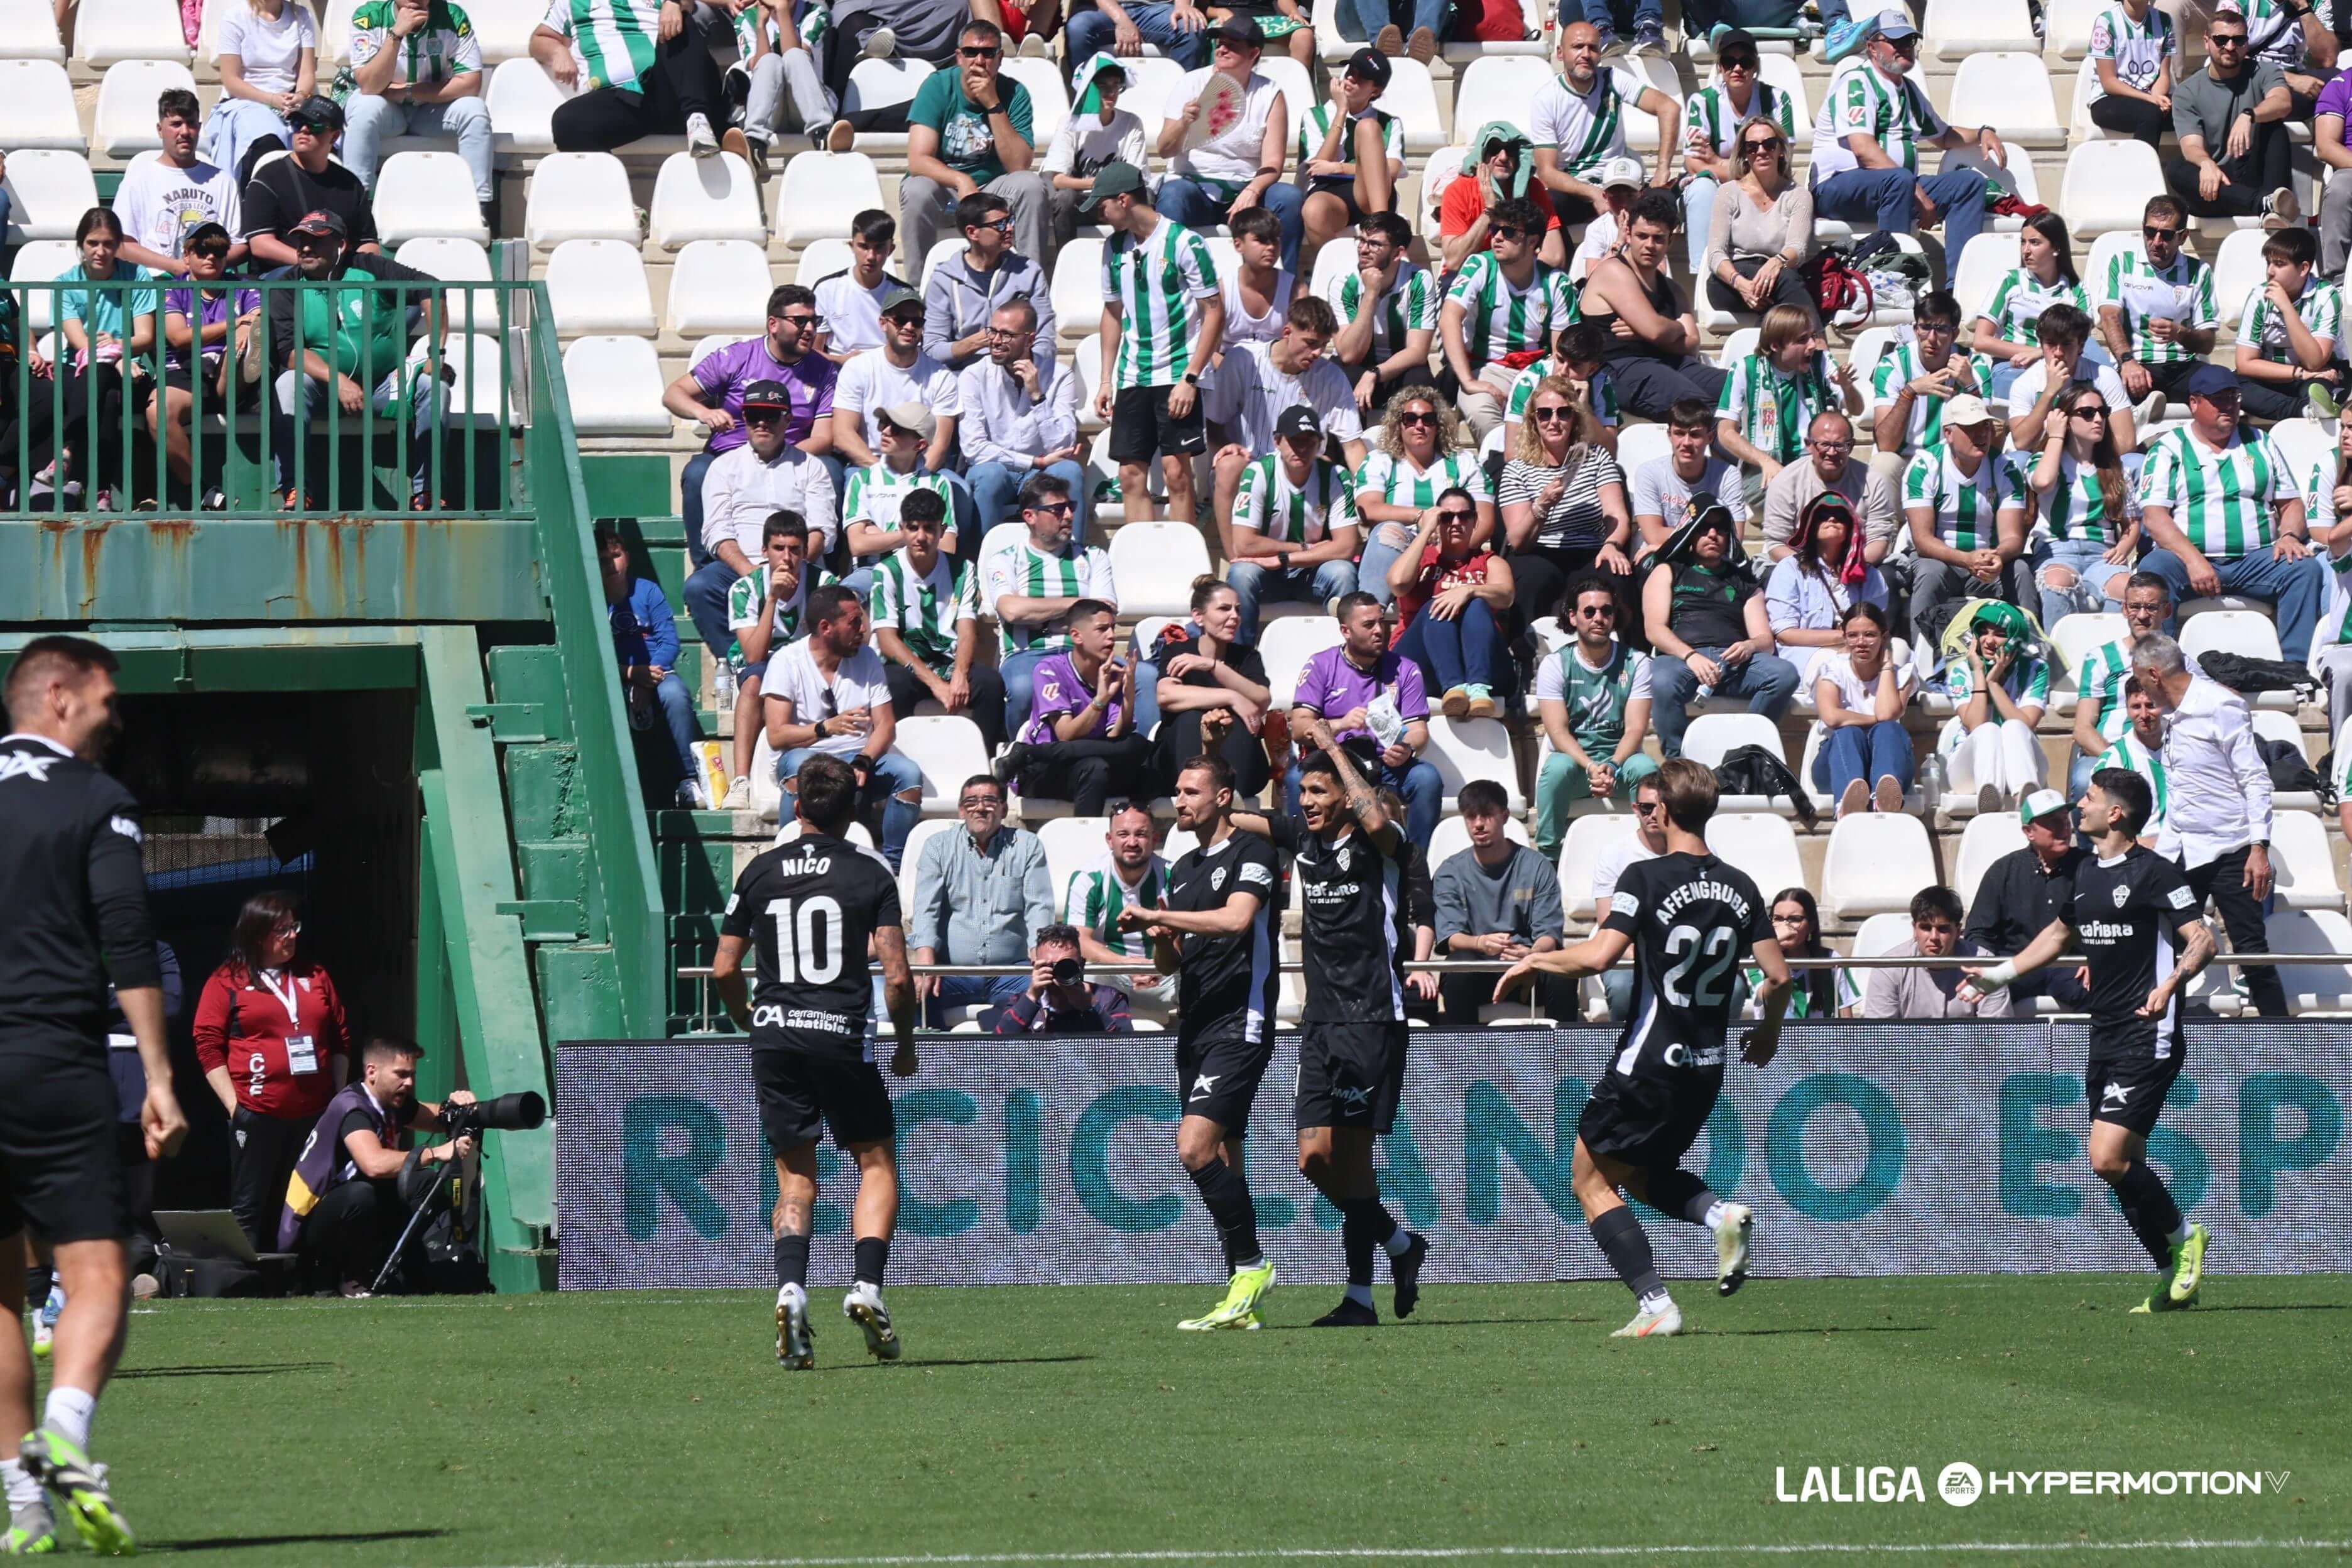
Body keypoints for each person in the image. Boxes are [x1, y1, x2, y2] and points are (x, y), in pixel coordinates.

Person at [0, 636, 186, 1557]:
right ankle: (66, 1440)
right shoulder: (92, 798)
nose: (116, 717)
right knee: (98, 1273)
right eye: (108, 699)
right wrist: (156, 1077)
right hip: (49, 1055)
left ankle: (22, 1504)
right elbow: (127, 935)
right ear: (60, 696)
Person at [1495, 758, 1785, 1338]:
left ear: (1668, 811)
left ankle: (1656, 1305)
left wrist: (1536, 958)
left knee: (1588, 1178)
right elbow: (1778, 978)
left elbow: (1599, 957)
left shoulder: (1644, 877)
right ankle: (1718, 1215)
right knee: (1645, 1171)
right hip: (1707, 1065)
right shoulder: (1742, 885)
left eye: (1652, 805)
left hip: (1650, 1061)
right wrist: (1768, 1032)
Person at [1957, 770, 2217, 1312]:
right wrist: (1996, 977)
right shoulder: (2087, 873)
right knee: (2125, 1167)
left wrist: (2170, 985)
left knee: (2105, 1159)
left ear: (2115, 813)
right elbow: (2056, 936)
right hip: (2105, 1034)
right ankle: (2171, 1276)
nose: (2081, 804)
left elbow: (2203, 939)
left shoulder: (2155, 873)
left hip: (2149, 1034)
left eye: (2091, 797)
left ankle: (2186, 1236)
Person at [710, 753, 920, 1368]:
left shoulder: (760, 871)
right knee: (875, 1161)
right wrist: (905, 1044)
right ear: (854, 810)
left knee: (795, 1180)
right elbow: (900, 978)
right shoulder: (871, 873)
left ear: (797, 804)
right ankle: (866, 1287)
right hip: (840, 1034)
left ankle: (791, 1289)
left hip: (776, 1037)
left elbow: (725, 967)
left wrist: (748, 1019)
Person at [1246, 741, 1430, 1327]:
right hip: (1321, 1021)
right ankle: (1400, 1244)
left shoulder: (1385, 846)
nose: (1308, 802)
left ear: (1349, 797)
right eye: (1303, 792)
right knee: (1312, 1159)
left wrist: (1328, 742)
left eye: (1319, 791)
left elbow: (1377, 815)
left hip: (1372, 1018)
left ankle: (1359, 1297)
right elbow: (1229, 810)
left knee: (1353, 1162)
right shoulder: (1303, 840)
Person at [1116, 754, 1283, 1331]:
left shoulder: (1253, 853)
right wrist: (1159, 934)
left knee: (1193, 1149)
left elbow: (1238, 921)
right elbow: (1173, 960)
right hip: (1197, 1022)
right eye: (1178, 792)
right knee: (1226, 1158)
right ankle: (1242, 1296)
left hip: (1242, 1020)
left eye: (1191, 793)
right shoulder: (1183, 867)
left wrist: (1166, 920)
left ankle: (1253, 1266)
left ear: (1222, 797)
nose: (1180, 801)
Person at [2132, 631, 2287, 1018]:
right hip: (2181, 851)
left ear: (2154, 674)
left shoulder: (2220, 706)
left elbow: (2255, 779)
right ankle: (2167, 1038)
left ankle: (2286, 1048)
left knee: (2251, 951)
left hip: (2231, 851)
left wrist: (2259, 847)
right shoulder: (2168, 713)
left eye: (2140, 678)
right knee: (2165, 947)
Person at [263, 209, 454, 510]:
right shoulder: (286, 285)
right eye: (300, 241)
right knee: (288, 383)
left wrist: (436, 351)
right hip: (323, 389)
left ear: (341, 245)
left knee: (435, 388)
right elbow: (290, 353)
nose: (306, 248)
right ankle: (296, 488)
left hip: (383, 384)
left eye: (315, 240)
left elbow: (431, 287)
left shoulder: (369, 268)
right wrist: (338, 381)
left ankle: (428, 490)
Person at [190, 891, 350, 1251]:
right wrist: (235, 1107)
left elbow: (340, 1037)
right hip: (256, 1112)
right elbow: (207, 1044)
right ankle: (245, 1282)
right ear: (257, 934)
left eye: (293, 927)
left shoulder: (315, 974)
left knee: (307, 1198)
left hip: (313, 1113)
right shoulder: (227, 980)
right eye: (281, 930)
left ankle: (303, 1280)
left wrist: (337, 1098)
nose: (292, 935)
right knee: (250, 1204)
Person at [2137, 366, 2321, 660]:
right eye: (2218, 399)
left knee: (2303, 568)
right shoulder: (2170, 448)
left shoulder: (2262, 442)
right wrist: (2194, 560)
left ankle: (2297, 668)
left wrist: (2288, 535)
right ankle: (2160, 666)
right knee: (2154, 569)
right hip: (2187, 560)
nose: (2229, 406)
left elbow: (2292, 504)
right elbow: (2155, 518)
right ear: (2194, 403)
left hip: (2255, 560)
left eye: (2233, 397)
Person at [1805, 10, 2005, 274]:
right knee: (1898, 181)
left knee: (1969, 183)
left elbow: (1944, 136)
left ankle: (1959, 287)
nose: (1904, 48)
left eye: (1909, 41)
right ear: (1872, 48)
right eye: (1895, 42)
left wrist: (1982, 132)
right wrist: (1916, 192)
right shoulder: (1857, 83)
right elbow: (1863, 149)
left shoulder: (1909, 90)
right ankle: (1892, 282)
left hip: (1894, 188)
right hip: (1837, 188)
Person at [273, 1034, 476, 1293]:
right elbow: (374, 1164)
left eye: (412, 1074)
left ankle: (406, 1271)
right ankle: (341, 1277)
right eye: (401, 1074)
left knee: (423, 1182)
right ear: (372, 1072)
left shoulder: (389, 1100)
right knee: (362, 1194)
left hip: (351, 1210)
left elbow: (436, 1118)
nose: (409, 1082)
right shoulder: (354, 1108)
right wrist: (436, 1153)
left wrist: (460, 1108)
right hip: (311, 1224)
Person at [1087, 161, 1225, 528]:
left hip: (1177, 372)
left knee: (1176, 473)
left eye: (1102, 204)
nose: (1099, 212)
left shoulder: (1185, 242)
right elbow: (1112, 313)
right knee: (1130, 475)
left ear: (1124, 200)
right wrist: (1105, 379)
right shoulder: (1113, 247)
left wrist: (1191, 378)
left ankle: (1181, 568)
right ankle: (1140, 560)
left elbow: (1214, 311)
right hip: (1133, 375)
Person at [663, 285, 840, 567]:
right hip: (730, 456)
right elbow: (673, 394)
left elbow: (824, 437)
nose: (810, 329)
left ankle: (821, 572)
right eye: (800, 321)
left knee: (832, 470)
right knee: (697, 473)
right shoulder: (736, 358)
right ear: (773, 324)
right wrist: (703, 412)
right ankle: (707, 569)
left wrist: (778, 454)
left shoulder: (823, 370)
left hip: (794, 456)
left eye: (813, 321)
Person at [763, 586, 925, 868]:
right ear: (826, 627)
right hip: (807, 756)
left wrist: (864, 760)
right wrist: (824, 728)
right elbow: (777, 735)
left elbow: (886, 725)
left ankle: (894, 867)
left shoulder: (868, 658)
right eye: (854, 623)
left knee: (909, 774)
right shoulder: (786, 661)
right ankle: (790, 859)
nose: (864, 629)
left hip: (857, 755)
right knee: (799, 767)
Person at [686, 378, 841, 662]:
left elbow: (822, 529)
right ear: (744, 417)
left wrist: (794, 565)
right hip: (742, 567)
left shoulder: (811, 467)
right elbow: (717, 533)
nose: (762, 424)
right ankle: (736, 663)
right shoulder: (723, 467)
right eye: (754, 416)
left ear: (788, 419)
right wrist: (757, 576)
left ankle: (810, 664)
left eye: (771, 416)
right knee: (699, 587)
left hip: (798, 562)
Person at [1205, 300, 1366, 557]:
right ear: (1287, 333)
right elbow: (1214, 422)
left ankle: (1309, 560)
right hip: (1252, 467)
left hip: (1305, 467)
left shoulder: (1331, 376)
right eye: (1311, 344)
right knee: (1228, 465)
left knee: (1326, 466)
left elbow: (1353, 445)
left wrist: (1368, 492)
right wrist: (1226, 446)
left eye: (1324, 346)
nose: (1317, 353)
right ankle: (1238, 562)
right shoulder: (1243, 359)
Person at [1643, 503, 1799, 760]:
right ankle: (1679, 763)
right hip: (1682, 660)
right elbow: (1654, 630)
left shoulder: (1745, 579)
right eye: (1704, 528)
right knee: (1661, 682)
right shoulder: (1669, 570)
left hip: (1734, 663)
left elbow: (1765, 640)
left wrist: (1749, 646)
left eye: (1720, 529)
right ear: (1691, 532)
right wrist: (1691, 656)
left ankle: (1743, 753)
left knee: (1784, 675)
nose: (1713, 534)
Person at [1288, 592, 1442, 846]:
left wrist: (1407, 748)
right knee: (1296, 779)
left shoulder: (1406, 668)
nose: (1379, 631)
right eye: (1369, 625)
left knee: (1427, 779)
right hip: (1335, 763)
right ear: (1346, 631)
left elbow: (1418, 731)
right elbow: (1300, 727)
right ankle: (1307, 857)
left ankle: (1415, 863)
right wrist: (1341, 723)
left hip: (1385, 763)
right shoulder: (1321, 665)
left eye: (1382, 622)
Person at [1154, 21, 1305, 273]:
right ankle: (1166, 278)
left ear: (1253, 53)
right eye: (1219, 43)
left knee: (1289, 198)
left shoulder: (1269, 93)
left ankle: (1284, 282)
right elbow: (1164, 150)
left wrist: (1253, 190)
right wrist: (1183, 123)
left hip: (1246, 189)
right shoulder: (1191, 83)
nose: (1221, 49)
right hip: (1195, 187)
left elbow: (1273, 163)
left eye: (1231, 46)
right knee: (1173, 195)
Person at [901, 22, 1049, 270]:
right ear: (959, 57)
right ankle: (917, 293)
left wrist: (993, 104)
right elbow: (918, 160)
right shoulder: (937, 86)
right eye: (971, 52)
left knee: (1031, 185)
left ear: (1000, 58)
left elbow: (1019, 165)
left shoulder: (1014, 93)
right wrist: (961, 181)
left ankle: (1029, 284)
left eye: (988, 53)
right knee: (917, 189)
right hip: (946, 188)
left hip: (994, 187)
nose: (979, 61)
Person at [869, 491, 1008, 752]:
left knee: (990, 684)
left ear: (942, 530)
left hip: (947, 662)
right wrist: (935, 684)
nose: (921, 537)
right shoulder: (886, 571)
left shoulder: (963, 570)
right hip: (905, 666)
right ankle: (894, 762)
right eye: (913, 528)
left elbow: (967, 631)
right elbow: (887, 641)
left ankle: (981, 767)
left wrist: (959, 674)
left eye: (929, 528)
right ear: (902, 529)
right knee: (893, 683)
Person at [1497, 377, 1634, 643]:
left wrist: (1612, 544)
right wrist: (1541, 505)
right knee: (1532, 578)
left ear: (1574, 417)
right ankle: (1523, 655)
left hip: (1590, 549)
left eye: (1563, 412)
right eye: (1545, 414)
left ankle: (1621, 657)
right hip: (1539, 550)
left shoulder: (1596, 457)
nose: (1554, 421)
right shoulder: (1517, 469)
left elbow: (1617, 515)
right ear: (1533, 421)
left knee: (1615, 573)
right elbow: (1517, 541)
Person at [911, 774, 1054, 1023]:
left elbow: (1038, 906)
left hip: (1011, 972)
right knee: (912, 992)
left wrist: (1038, 953)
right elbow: (926, 909)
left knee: (1050, 991)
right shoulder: (938, 846)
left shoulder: (1028, 846)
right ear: (961, 811)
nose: (980, 807)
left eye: (989, 800)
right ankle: (932, 1060)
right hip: (954, 973)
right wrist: (926, 962)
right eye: (971, 802)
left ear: (1004, 808)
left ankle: (1020, 1060)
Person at [1533, 574, 1658, 856]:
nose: (1598, 618)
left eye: (1606, 610)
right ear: (1573, 617)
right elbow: (1557, 732)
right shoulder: (1555, 664)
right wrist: (1591, 767)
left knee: (1646, 769)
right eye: (1589, 611)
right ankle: (1548, 855)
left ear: (1615, 616)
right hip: (1578, 769)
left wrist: (1612, 766)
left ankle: (1652, 848)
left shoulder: (1637, 662)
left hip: (1620, 765)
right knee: (1556, 769)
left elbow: (1635, 729)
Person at [983, 472, 1118, 734]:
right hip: (1028, 654)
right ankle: (1021, 756)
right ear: (1030, 516)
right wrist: (1080, 606)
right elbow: (1012, 610)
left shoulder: (1094, 556)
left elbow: (1105, 611)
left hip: (1085, 653)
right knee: (1023, 687)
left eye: (1071, 507)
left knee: (1143, 678)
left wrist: (1036, 613)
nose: (1068, 515)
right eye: (1058, 510)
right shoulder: (1005, 559)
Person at [996, 599, 1155, 815]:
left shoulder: (1112, 671)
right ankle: (1085, 841)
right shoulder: (1049, 670)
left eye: (1112, 628)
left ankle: (1028, 753)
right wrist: (1100, 700)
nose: (1111, 636)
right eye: (1102, 629)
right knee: (1101, 766)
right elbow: (1066, 734)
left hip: (1091, 760)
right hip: (1041, 771)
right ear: (1077, 636)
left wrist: (1127, 696)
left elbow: (1116, 733)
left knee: (1140, 752)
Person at [1902, 392, 2032, 652]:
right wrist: (1966, 559)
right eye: (1970, 428)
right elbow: (1923, 541)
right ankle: (1924, 659)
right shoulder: (1925, 466)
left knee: (2020, 571)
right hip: (1940, 559)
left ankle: (2027, 653)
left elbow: (2013, 538)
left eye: (1984, 426)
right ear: (1949, 434)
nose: (1981, 434)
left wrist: (1996, 557)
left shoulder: (2005, 469)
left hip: (1986, 561)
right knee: (1930, 572)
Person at [1439, 197, 1577, 442]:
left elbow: (1561, 352)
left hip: (1539, 371)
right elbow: (1449, 318)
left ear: (1533, 241)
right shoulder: (1479, 265)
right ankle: (1504, 468)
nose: (1497, 237)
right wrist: (1469, 381)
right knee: (1480, 410)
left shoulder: (1557, 283)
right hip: (1488, 368)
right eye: (1495, 229)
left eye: (1509, 232)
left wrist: (1551, 390)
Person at [1579, 193, 1726, 421]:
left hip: (1670, 365)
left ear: (1671, 241)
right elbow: (1656, 331)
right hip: (1619, 369)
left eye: (1658, 238)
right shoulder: (1613, 271)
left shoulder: (1671, 289)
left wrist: (1647, 332)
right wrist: (1673, 329)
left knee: (1741, 387)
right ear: (1628, 234)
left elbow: (1692, 344)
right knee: (1698, 408)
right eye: (1642, 236)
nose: (1650, 245)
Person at [1432, 779, 1566, 1025]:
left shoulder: (1536, 866)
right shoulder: (1450, 871)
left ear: (1504, 817)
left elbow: (1549, 933)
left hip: (1528, 962)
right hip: (1478, 967)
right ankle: (1462, 1055)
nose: (1479, 824)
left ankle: (1566, 1055)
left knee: (1563, 971)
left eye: (1487, 815)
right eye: (1471, 817)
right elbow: (1451, 937)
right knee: (1458, 967)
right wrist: (1481, 943)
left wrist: (1533, 957)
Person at [1224, 405, 1363, 645]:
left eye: (1310, 441)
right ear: (1277, 441)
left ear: (1320, 444)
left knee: (1343, 572)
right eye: (1295, 440)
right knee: (1241, 574)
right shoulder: (1258, 473)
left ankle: (1342, 658)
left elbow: (1346, 547)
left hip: (1313, 571)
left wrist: (1284, 559)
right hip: (1266, 572)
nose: (1302, 448)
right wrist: (1305, 548)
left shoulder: (1336, 476)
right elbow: (1244, 544)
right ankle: (1239, 658)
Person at [51, 209, 159, 512]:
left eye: (109, 244)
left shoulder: (137, 276)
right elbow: (80, 343)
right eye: (93, 243)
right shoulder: (65, 283)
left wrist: (117, 351)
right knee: (108, 396)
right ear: (81, 244)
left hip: (132, 373)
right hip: (81, 373)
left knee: (109, 390)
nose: (101, 251)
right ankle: (101, 492)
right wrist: (116, 359)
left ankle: (69, 451)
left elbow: (146, 336)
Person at [342, 0, 492, 215]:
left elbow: (470, 83)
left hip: (432, 109)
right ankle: (357, 208)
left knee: (475, 110)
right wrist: (396, 35)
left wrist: (407, 91)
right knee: (364, 107)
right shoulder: (368, 17)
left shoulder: (453, 17)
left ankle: (479, 209)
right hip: (387, 109)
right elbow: (369, 86)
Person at [719, 513, 827, 808]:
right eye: (779, 548)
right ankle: (741, 780)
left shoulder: (823, 582)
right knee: (754, 682)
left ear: (805, 551)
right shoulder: (745, 588)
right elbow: (753, 654)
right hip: (762, 661)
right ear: (765, 551)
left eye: (795, 549)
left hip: (808, 661)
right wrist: (772, 599)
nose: (787, 558)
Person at [1530, 23, 1679, 231]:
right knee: (1544, 207)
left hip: (1621, 185)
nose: (1586, 54)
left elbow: (1669, 108)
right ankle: (1561, 263)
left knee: (1666, 202)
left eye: (1592, 48)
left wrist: (1662, 169)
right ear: (1560, 53)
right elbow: (1547, 172)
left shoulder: (1613, 79)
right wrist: (1593, 193)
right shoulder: (1546, 99)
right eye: (1578, 47)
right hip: (1578, 192)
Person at [597, 521, 706, 806]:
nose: (612, 565)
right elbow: (595, 653)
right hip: (613, 675)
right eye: (603, 560)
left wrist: (648, 676)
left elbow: (669, 641)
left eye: (616, 556)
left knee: (676, 696)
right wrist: (632, 674)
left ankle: (689, 779)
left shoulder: (647, 591)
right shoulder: (593, 599)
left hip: (656, 672)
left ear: (628, 557)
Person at [153, 224, 262, 506]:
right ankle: (201, 490)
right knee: (157, 413)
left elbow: (258, 315)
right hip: (186, 372)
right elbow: (178, 337)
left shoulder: (244, 285)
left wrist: (248, 326)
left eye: (218, 251)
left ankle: (240, 374)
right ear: (187, 255)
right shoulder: (172, 289)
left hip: (229, 372)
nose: (211, 257)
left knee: (246, 344)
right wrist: (237, 324)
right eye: (202, 251)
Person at [531, 0, 729, 156]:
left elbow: (690, 4)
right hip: (623, 102)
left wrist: (674, 3)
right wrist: (558, 51)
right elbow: (539, 39)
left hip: (669, 86)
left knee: (680, 20)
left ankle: (698, 120)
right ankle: (618, 199)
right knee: (566, 122)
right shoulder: (568, 2)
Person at [1354, 386, 1493, 606]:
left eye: (1428, 419)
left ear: (1438, 426)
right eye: (1410, 419)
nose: (1419, 426)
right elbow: (1368, 510)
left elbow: (1485, 521)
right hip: (1399, 545)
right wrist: (1422, 517)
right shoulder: (1379, 461)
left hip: (1449, 545)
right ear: (1398, 424)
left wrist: (1448, 545)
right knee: (1386, 531)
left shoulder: (1463, 462)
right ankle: (1370, 613)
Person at [1386, 485, 1513, 721]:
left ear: (1475, 521)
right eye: (1446, 517)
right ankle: (1454, 688)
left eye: (1464, 516)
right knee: (1437, 605)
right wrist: (1426, 531)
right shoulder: (1422, 559)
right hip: (1421, 665)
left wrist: (1469, 590)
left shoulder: (1489, 562)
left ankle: (1477, 688)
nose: (1456, 523)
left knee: (1476, 602)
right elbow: (1398, 583)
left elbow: (1506, 595)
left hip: (1482, 665)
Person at [959, 299, 1085, 533]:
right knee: (989, 474)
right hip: (1000, 469)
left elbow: (1063, 445)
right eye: (993, 332)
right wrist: (1034, 461)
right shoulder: (974, 376)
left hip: (1041, 474)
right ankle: (981, 562)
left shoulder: (1059, 375)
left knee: (1069, 472)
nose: (995, 341)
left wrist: (1037, 396)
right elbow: (974, 448)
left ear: (1030, 339)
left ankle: (1072, 560)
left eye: (1007, 335)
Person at [1714, 305, 1861, 505]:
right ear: (1775, 345)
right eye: (1802, 340)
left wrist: (1847, 386)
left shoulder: (1821, 362)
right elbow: (1725, 433)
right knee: (1799, 495)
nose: (1812, 345)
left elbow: (1856, 410)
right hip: (1764, 469)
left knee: (1865, 482)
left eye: (1813, 336)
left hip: (1816, 461)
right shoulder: (1745, 369)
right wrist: (1765, 461)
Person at [2162, 10, 2297, 227]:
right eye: (2221, 40)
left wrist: (2249, 115)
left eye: (2239, 40)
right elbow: (2191, 147)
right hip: (2215, 189)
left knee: (2274, 127)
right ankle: (2266, 206)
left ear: (2247, 43)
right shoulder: (2188, 91)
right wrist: (2206, 163)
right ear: (2207, 42)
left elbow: (2282, 102)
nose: (2230, 47)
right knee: (2177, 168)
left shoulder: (2265, 71)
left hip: (2254, 176)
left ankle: (2269, 203)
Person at [2025, 381, 2141, 633]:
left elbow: (2131, 522)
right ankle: (2059, 662)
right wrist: (2056, 435)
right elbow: (2043, 483)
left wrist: (2124, 546)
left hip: (2103, 553)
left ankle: (2109, 659)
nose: (2098, 419)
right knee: (2057, 583)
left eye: (2103, 412)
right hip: (2057, 551)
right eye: (2088, 413)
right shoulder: (2042, 461)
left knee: (2126, 588)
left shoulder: (2115, 469)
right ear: (2066, 419)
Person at [1966, 786, 2094, 1014]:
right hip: (2017, 965)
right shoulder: (2004, 871)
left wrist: (2094, 957)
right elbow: (1979, 933)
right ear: (2029, 832)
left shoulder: (2089, 867)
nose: (2064, 828)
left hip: (2068, 965)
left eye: (2065, 820)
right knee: (1979, 993)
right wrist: (1987, 969)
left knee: (2103, 993)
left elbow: (2107, 922)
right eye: (2052, 822)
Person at [2095, 195, 2219, 427]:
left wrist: (2179, 333)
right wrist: (2127, 361)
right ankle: (2137, 433)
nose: (2156, 241)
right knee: (2099, 396)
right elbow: (2108, 316)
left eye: (2167, 235)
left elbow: (2208, 343)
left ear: (2183, 237)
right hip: (2136, 364)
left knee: (2225, 385)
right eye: (2150, 232)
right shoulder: (2121, 264)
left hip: (2182, 366)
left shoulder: (2199, 271)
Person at [1146, 578, 1276, 798]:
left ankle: (1229, 800)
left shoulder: (1247, 657)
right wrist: (1232, 697)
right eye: (1224, 609)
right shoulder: (1179, 651)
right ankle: (1195, 794)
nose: (1234, 616)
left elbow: (1262, 699)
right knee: (1191, 718)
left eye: (1237, 610)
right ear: (1199, 616)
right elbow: (1166, 695)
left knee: (1231, 723)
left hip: (1239, 760)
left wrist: (1213, 666)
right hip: (1177, 759)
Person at [1868, 290, 1997, 493]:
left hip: (1954, 463)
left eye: (1941, 329)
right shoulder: (1892, 365)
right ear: (1915, 329)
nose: (1932, 338)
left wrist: (1970, 386)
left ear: (1955, 334)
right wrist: (1909, 392)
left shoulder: (1974, 366)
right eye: (1926, 327)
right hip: (1907, 462)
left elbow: (1990, 437)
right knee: (1883, 463)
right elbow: (1885, 443)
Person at [1061, 803, 1176, 1018]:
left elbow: (1186, 940)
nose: (1132, 842)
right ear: (1109, 839)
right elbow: (1079, 941)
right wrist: (1128, 965)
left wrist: (1158, 966)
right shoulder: (1089, 879)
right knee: (1084, 975)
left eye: (1141, 834)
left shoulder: (1174, 876)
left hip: (1166, 974)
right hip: (1112, 973)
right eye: (1123, 834)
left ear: (1155, 838)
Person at [1702, 113, 1816, 327]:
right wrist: (1741, 284)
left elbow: (1797, 249)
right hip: (1731, 281)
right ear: (1744, 153)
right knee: (1789, 285)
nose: (1761, 151)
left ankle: (1769, 353)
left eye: (1769, 145)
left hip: (1777, 276)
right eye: (1752, 147)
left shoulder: (1798, 196)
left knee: (1781, 300)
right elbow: (1716, 254)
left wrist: (1777, 262)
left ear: (1781, 150)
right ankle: (1819, 350)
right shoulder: (1728, 192)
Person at [832, 286, 961, 475]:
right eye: (900, 320)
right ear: (883, 323)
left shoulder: (941, 376)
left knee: (961, 492)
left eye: (916, 322)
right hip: (869, 462)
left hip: (921, 466)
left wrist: (915, 480)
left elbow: (939, 445)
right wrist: (884, 478)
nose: (909, 327)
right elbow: (843, 435)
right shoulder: (857, 368)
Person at [1937, 599, 2050, 815]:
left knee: (2014, 728)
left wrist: (1994, 683)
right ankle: (1991, 800)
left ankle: (2024, 800)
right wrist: (1980, 674)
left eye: (1999, 634)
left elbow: (2026, 724)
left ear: (2016, 637)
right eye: (1983, 633)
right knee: (1988, 730)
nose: (1989, 641)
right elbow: (1975, 724)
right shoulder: (1961, 671)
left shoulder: (2037, 669)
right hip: (1967, 771)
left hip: (2021, 762)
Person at [116, 89, 247, 276]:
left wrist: (207, 262)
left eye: (191, 124)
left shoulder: (223, 181)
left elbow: (239, 245)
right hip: (158, 284)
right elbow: (123, 245)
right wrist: (172, 266)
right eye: (176, 124)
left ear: (199, 127)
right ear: (160, 129)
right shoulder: (137, 180)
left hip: (211, 286)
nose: (184, 132)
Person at [241, 97, 380, 271]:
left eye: (315, 126)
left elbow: (368, 244)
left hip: (338, 279)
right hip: (283, 277)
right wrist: (316, 265)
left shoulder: (350, 184)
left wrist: (346, 272)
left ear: (334, 136)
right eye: (299, 123)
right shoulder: (268, 177)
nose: (304, 130)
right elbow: (261, 244)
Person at [1767, 491, 1886, 683]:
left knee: (1901, 651)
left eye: (1840, 517)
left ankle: (1887, 713)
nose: (1831, 519)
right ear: (1811, 527)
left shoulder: (1870, 575)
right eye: (1822, 516)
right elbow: (1786, 634)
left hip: (1862, 651)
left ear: (1851, 528)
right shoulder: (1789, 569)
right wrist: (1845, 637)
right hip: (1808, 655)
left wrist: (1855, 640)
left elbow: (1877, 628)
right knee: (1840, 665)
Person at [1806, 600, 1912, 817]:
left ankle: (1884, 801)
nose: (1861, 642)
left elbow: (1887, 714)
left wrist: (1887, 666)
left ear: (1884, 637)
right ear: (1844, 637)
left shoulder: (1902, 674)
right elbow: (1832, 718)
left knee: (1889, 730)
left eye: (1870, 635)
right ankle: (1846, 804)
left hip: (1886, 762)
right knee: (1848, 733)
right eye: (1853, 635)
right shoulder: (1830, 670)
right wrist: (1874, 719)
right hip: (1836, 762)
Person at [2071, 571, 2173, 795]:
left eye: (2152, 608)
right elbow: (2082, 727)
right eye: (2135, 607)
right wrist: (2119, 760)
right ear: (2125, 609)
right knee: (2082, 780)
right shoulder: (2100, 657)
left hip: (2163, 752)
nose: (2142, 615)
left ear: (2167, 611)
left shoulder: (2179, 660)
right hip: (2108, 751)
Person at [839, 402, 962, 586]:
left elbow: (948, 546)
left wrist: (881, 536)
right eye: (884, 424)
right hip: (871, 571)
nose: (885, 431)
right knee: (846, 600)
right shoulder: (862, 480)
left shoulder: (938, 483)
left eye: (897, 429)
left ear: (920, 444)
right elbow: (858, 545)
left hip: (921, 572)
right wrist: (920, 535)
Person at [1296, 51, 1403, 258]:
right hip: (1330, 192)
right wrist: (1341, 112)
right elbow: (1317, 168)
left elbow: (1391, 171)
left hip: (1373, 193)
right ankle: (1337, 268)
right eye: (1350, 72)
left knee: (1368, 127)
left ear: (1375, 91)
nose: (1351, 79)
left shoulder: (1389, 123)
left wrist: (1338, 167)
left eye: (1361, 77)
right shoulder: (1315, 115)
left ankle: (1383, 229)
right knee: (1314, 210)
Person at [1971, 214, 2089, 403]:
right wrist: (2034, 352)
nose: (2026, 251)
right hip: (2014, 366)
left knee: (2090, 352)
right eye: (2023, 242)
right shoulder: (2010, 281)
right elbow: (1981, 341)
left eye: (2035, 243)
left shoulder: (2076, 290)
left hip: (2062, 365)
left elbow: (2084, 341)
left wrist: (2042, 352)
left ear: (2056, 248)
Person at [2233, 227, 2343, 423]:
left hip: (2322, 375)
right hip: (2279, 374)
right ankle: (2303, 411)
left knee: (2318, 391)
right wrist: (2300, 373)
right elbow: (2244, 363)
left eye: (2279, 264)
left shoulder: (2326, 296)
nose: (2270, 271)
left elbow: (2314, 362)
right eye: (2268, 263)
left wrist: (2287, 308)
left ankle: (2308, 407)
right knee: (2229, 384)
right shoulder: (2259, 297)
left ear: (2303, 269)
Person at [202, 0, 318, 188]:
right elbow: (231, 80)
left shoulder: (302, 16)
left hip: (289, 101)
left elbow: (307, 73)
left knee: (324, 137)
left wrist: (300, 95)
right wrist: (271, 99)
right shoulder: (235, 17)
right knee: (269, 140)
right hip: (245, 101)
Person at [2004, 303, 2139, 458]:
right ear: (2041, 345)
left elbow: (2126, 443)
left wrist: (2078, 457)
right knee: (2019, 459)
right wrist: (2049, 392)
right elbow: (2022, 443)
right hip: (2043, 462)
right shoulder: (2025, 383)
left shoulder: (2104, 376)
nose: (2059, 352)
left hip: (2092, 459)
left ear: (2081, 346)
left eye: (2067, 344)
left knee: (2133, 460)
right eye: (2051, 344)